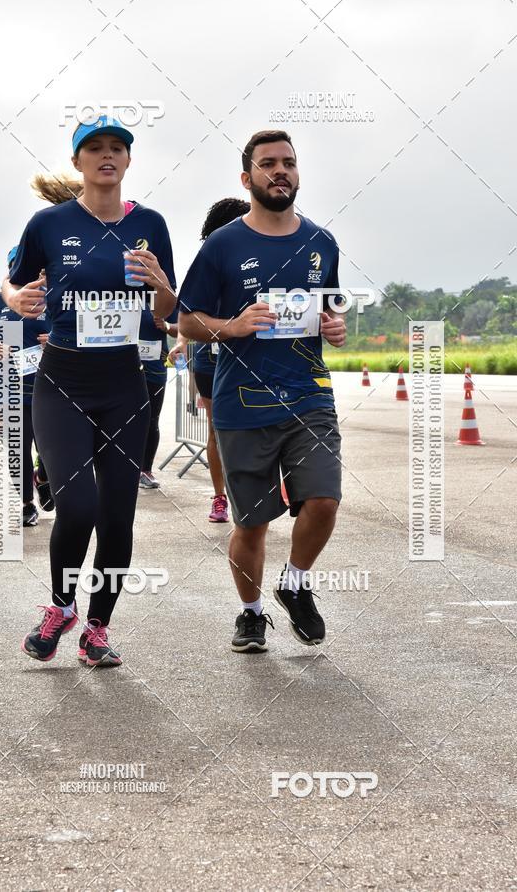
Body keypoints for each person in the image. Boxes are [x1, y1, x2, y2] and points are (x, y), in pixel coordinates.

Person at [3, 114, 177, 667]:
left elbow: (168, 310)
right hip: (63, 382)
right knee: (77, 507)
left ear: (128, 160)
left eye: (116, 148)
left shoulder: (150, 224)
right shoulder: (48, 224)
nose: (107, 155)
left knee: (118, 517)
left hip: (125, 384)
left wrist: (159, 284)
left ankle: (97, 629)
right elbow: (13, 282)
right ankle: (61, 608)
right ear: (77, 161)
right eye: (95, 148)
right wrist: (14, 300)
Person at [178, 129, 346, 653]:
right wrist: (232, 326)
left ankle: (295, 583)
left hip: (308, 394)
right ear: (246, 177)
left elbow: (329, 310)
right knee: (251, 525)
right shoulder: (222, 245)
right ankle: (250, 614)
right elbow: (187, 321)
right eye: (268, 163)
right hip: (243, 402)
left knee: (324, 499)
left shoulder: (322, 242)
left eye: (288, 163)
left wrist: (334, 327)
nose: (280, 171)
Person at [170, 198, 251, 522]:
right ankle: (220, 498)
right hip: (209, 359)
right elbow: (188, 314)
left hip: (248, 356)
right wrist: (181, 342)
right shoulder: (208, 260)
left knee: (253, 429)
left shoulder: (258, 257)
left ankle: (255, 492)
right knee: (217, 430)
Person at [0, 254, 53, 527]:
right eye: (16, 263)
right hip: (9, 391)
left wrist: (55, 340)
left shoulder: (52, 298)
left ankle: (43, 478)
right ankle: (27, 504)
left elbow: (75, 334)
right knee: (18, 450)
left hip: (48, 390)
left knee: (50, 449)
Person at [138, 304, 178, 488]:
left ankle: (146, 471)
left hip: (155, 370)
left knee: (152, 419)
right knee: (120, 420)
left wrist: (167, 326)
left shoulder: (165, 297)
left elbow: (182, 328)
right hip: (124, 368)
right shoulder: (123, 293)